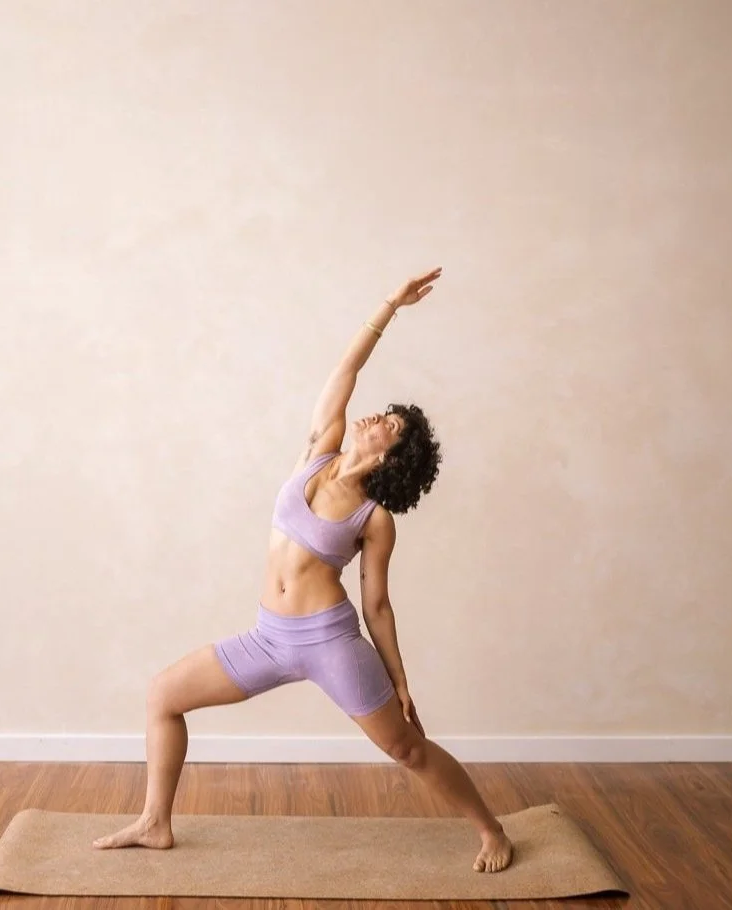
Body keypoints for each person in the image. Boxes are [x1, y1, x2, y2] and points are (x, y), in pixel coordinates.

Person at [94, 266, 514, 873]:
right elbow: (345, 372)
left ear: (393, 457)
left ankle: (491, 829)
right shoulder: (321, 448)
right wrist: (389, 305)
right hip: (267, 637)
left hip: (329, 643)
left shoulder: (375, 519)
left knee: (407, 748)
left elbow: (377, 607)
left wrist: (400, 680)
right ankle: (155, 823)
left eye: (390, 427)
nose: (376, 419)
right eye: (385, 414)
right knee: (164, 694)